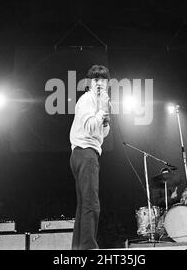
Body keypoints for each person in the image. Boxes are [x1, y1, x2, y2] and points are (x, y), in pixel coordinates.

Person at [69, 64, 111, 250]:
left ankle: (78, 248)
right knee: (91, 203)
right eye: (96, 80)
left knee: (84, 204)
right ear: (89, 83)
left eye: (103, 80)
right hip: (85, 153)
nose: (99, 83)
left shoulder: (100, 102)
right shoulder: (87, 100)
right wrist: (101, 111)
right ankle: (88, 248)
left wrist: (105, 121)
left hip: (85, 152)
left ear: (108, 83)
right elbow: (89, 127)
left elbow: (102, 133)